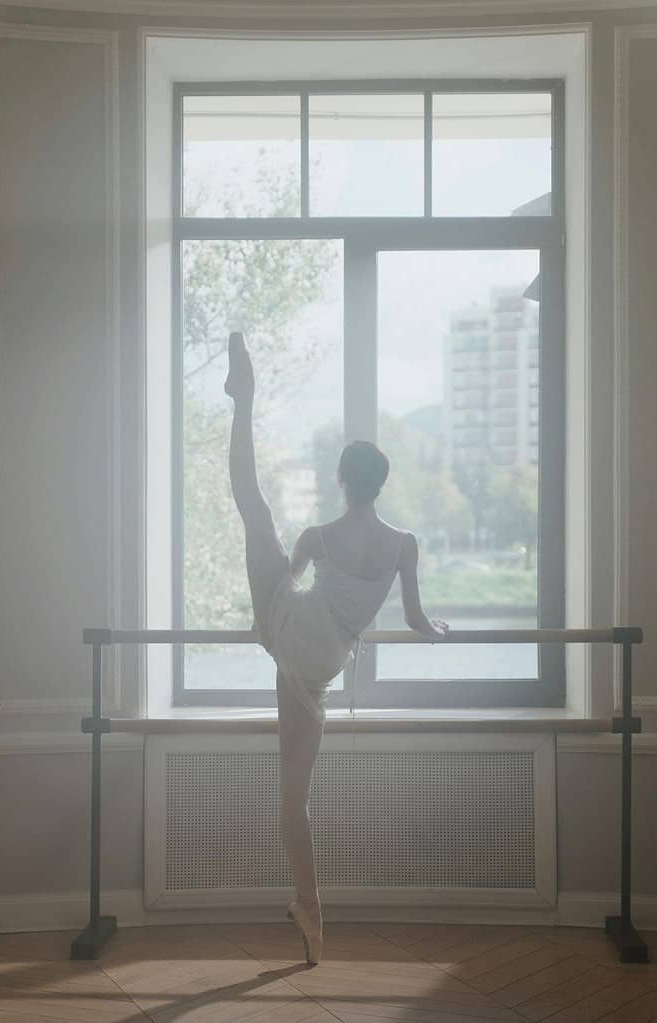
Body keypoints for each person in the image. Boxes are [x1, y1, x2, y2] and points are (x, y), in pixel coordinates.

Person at [224, 331, 448, 965]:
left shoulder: (319, 534)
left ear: (342, 480)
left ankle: (243, 400)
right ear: (377, 485)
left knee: (253, 509)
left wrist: (260, 621)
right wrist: (440, 634)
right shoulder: (404, 543)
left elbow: (285, 583)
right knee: (296, 796)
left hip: (294, 633)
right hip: (322, 665)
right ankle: (311, 913)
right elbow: (415, 619)